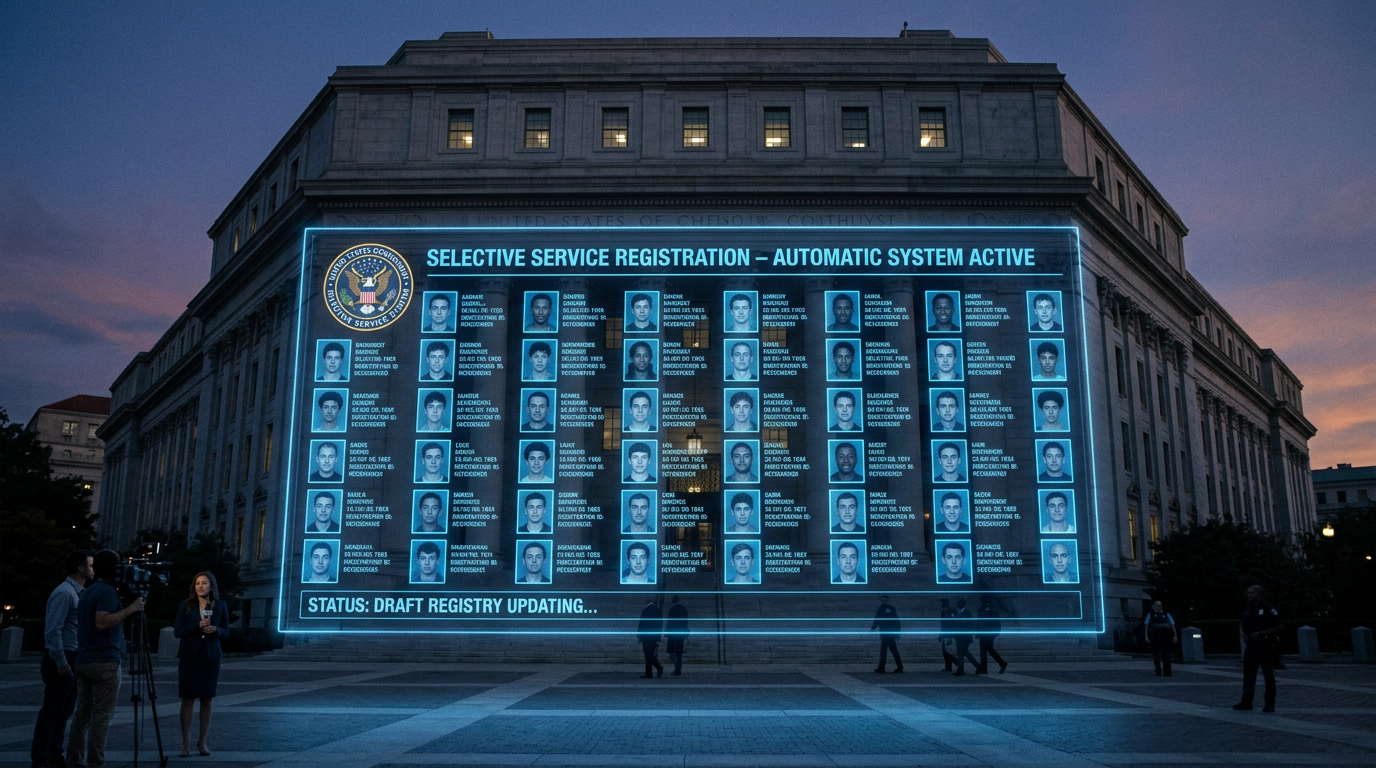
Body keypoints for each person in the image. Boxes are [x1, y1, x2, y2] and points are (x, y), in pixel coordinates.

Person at [67, 549, 144, 768]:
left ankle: (74, 758)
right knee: (102, 715)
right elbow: (102, 622)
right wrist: (131, 609)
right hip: (104, 661)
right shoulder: (107, 593)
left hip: (84, 659)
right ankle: (95, 761)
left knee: (82, 714)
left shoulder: (88, 591)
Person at [31, 550, 91, 768]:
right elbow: (53, 630)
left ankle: (54, 754)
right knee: (52, 711)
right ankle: (41, 758)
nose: (93, 569)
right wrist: (61, 662)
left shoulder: (77, 593)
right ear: (80, 568)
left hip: (72, 654)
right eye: (90, 565)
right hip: (62, 656)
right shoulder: (65, 593)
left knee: (64, 710)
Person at [174, 572, 230, 758]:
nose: (200, 586)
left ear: (211, 586)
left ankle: (202, 741)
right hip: (190, 657)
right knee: (188, 699)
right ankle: (186, 742)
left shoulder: (220, 605)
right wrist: (197, 626)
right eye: (197, 583)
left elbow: (227, 631)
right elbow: (178, 631)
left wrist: (217, 630)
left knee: (207, 699)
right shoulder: (186, 606)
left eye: (204, 583)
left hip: (210, 657)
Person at [1234, 585, 1281, 712]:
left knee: (1268, 675)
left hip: (1265, 645)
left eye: (1252, 593)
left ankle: (1270, 703)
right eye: (1248, 593)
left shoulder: (1267, 608)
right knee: (1248, 675)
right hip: (1251, 646)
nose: (1249, 595)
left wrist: (1262, 633)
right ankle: (1246, 702)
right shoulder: (1247, 607)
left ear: (1259, 594)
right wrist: (1242, 633)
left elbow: (1278, 626)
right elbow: (1241, 622)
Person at [1144, 600, 1176, 677]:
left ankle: (1167, 671)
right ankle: (1158, 669)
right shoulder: (1150, 615)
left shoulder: (1166, 614)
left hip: (1165, 636)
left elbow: (1172, 625)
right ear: (1153, 607)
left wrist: (1175, 635)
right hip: (1155, 636)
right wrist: (1146, 636)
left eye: (1160, 606)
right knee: (1156, 654)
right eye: (1157, 605)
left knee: (1166, 654)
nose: (1159, 607)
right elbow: (1146, 625)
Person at [871, 595, 903, 673]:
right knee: (891, 651)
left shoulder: (882, 608)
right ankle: (899, 667)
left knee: (885, 651)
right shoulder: (888, 608)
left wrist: (873, 627)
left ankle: (882, 668)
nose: (883, 601)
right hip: (888, 633)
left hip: (886, 633)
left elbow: (877, 619)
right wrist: (898, 633)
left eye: (884, 600)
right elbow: (896, 621)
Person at [976, 596, 1007, 674]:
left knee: (986, 650)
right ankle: (986, 667)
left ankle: (985, 668)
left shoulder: (984, 610)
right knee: (987, 649)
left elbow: (981, 622)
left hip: (986, 633)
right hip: (987, 633)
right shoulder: (989, 610)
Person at [951, 598, 980, 676]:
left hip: (963, 636)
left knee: (962, 652)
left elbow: (965, 623)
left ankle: (962, 669)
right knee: (963, 652)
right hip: (961, 636)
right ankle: (976, 667)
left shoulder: (965, 613)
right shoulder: (961, 613)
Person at [637, 599, 664, 677]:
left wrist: (639, 634)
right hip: (654, 636)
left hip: (646, 636)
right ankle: (649, 672)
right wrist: (658, 636)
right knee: (650, 654)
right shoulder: (658, 610)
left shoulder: (645, 610)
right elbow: (660, 624)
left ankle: (656, 667)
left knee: (647, 654)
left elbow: (642, 623)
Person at [665, 596, 689, 676]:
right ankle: (678, 669)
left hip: (673, 634)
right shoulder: (684, 609)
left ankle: (677, 668)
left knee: (671, 651)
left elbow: (669, 622)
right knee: (679, 653)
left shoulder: (672, 609)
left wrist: (667, 633)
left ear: (672, 601)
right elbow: (685, 622)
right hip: (681, 633)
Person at [938, 599, 959, 672]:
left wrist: (950, 636)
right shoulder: (943, 613)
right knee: (945, 652)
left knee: (948, 652)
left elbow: (952, 624)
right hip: (945, 634)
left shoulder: (951, 612)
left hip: (950, 634)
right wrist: (941, 635)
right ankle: (948, 667)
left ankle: (958, 662)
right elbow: (943, 625)